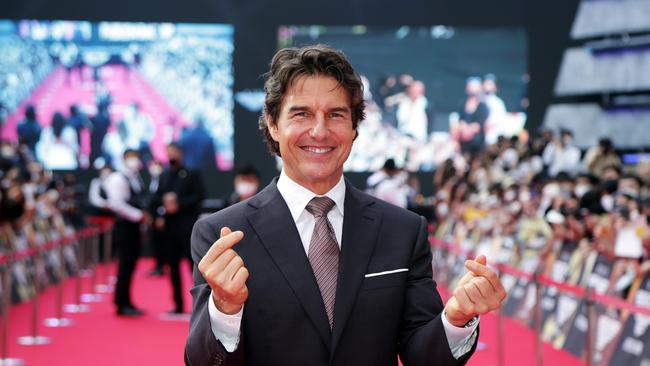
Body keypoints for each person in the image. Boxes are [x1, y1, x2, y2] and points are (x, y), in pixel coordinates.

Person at [185, 44, 506, 366]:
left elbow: (422, 356)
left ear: (354, 127)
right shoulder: (222, 235)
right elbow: (203, 362)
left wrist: (456, 317)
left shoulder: (402, 230)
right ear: (272, 124)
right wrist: (226, 309)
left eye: (336, 114)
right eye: (302, 114)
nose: (320, 131)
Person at [151, 143, 204, 314]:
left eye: (174, 152)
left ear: (181, 153)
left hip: (188, 227)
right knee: (172, 267)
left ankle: (199, 305)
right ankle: (178, 304)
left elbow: (199, 195)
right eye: (169, 152)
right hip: (170, 228)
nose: (171, 155)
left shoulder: (191, 173)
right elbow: (157, 197)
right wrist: (162, 210)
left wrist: (179, 204)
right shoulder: (164, 175)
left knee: (193, 267)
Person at [104, 149, 150, 316]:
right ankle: (121, 303)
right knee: (125, 265)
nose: (135, 161)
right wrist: (138, 216)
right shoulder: (117, 178)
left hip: (134, 227)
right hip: (125, 227)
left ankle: (126, 300)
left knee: (130, 266)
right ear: (124, 159)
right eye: (132, 158)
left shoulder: (135, 177)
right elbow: (116, 204)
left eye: (137, 157)